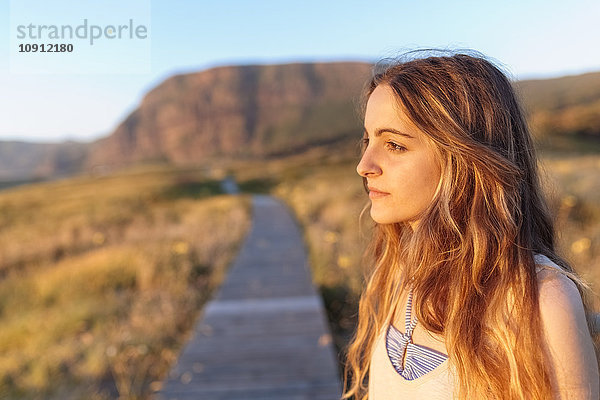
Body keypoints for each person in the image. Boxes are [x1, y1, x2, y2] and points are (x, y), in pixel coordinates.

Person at [341, 50, 600, 400]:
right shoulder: (403, 270)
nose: (364, 165)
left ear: (464, 157)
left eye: (394, 145)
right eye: (367, 140)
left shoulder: (539, 299)